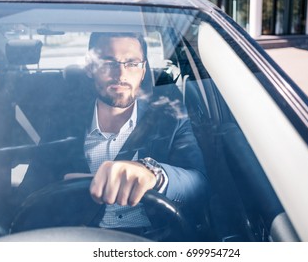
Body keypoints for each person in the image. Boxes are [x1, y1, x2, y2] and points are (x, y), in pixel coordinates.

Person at [18, 32, 208, 232]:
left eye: (132, 63)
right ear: (91, 68)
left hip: (151, 243)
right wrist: (64, 200)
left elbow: (198, 183)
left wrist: (154, 174)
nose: (120, 74)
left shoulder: (169, 117)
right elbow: (29, 194)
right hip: (80, 238)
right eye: (109, 63)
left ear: (143, 70)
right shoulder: (63, 124)